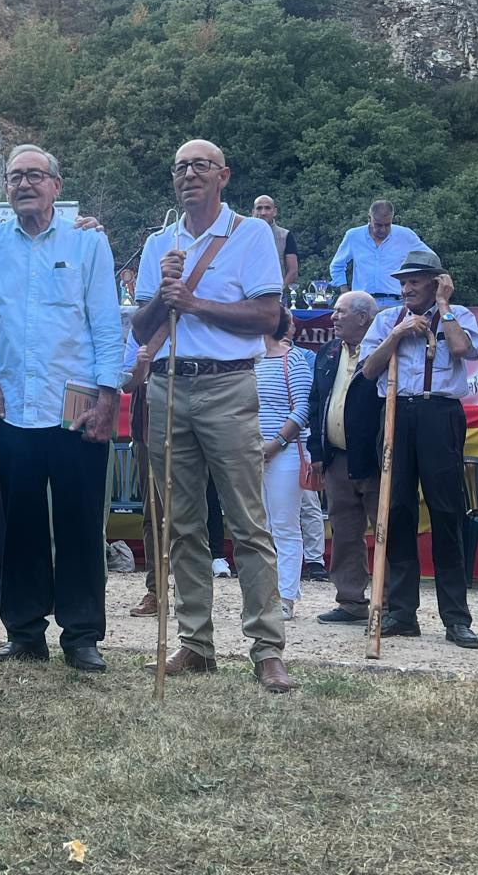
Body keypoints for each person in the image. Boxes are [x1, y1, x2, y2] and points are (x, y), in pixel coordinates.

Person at [132, 138, 295, 692]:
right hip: (169, 384)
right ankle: (196, 642)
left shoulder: (251, 234)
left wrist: (195, 302)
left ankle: (267, 647)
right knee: (181, 523)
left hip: (228, 385)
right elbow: (141, 328)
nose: (189, 174)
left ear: (223, 175)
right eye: (180, 167)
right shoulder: (160, 241)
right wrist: (162, 291)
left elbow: (269, 316)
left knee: (248, 521)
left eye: (201, 166)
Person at [0, 144, 121, 672]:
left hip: (76, 407)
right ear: (5, 187)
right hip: (15, 403)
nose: (24, 184)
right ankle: (25, 632)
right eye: (15, 177)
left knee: (81, 523)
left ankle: (82, 635)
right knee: (22, 523)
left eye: (35, 175)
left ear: (57, 185)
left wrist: (109, 399)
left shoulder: (87, 243)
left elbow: (107, 325)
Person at [358, 249, 478, 648]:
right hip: (395, 412)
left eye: (416, 281)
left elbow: (463, 350)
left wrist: (443, 307)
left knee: (446, 510)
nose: (407, 288)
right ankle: (401, 611)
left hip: (439, 414)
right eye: (403, 282)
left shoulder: (457, 314)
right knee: (395, 511)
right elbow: (368, 371)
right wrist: (396, 336)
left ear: (436, 282)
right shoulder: (385, 319)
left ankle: (456, 617)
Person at [306, 291, 384, 624]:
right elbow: (316, 404)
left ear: (363, 318)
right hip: (338, 458)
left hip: (377, 459)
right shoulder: (327, 353)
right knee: (344, 530)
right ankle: (351, 601)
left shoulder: (384, 352)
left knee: (385, 530)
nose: (333, 317)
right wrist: (318, 452)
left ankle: (391, 606)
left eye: (340, 312)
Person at [255, 306, 313, 619]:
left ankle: (286, 596)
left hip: (285, 452)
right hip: (250, 453)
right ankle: (264, 593)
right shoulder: (248, 359)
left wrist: (276, 444)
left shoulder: (294, 360)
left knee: (284, 526)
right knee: (258, 527)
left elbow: (303, 409)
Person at [329, 200, 428, 305]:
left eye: (387, 225)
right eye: (378, 225)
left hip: (397, 302)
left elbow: (429, 258)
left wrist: (417, 286)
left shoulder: (405, 235)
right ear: (369, 218)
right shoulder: (353, 236)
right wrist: (344, 290)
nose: (383, 229)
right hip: (363, 303)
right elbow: (337, 265)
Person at [252, 195, 299, 288]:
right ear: (253, 212)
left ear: (275, 212)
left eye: (267, 208)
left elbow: (293, 271)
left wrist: (279, 292)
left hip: (275, 295)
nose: (263, 212)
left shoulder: (285, 236)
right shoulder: (243, 235)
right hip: (245, 296)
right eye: (259, 208)